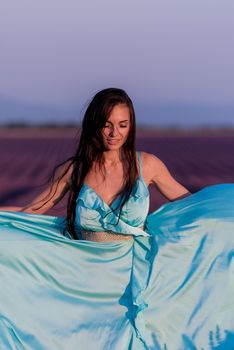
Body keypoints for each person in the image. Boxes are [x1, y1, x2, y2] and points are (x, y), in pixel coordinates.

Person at [0, 88, 233, 350]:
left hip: (131, 276)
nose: (114, 133)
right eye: (107, 125)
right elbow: (31, 210)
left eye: (123, 125)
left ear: (131, 126)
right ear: (94, 125)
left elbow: (191, 205)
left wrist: (223, 215)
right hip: (80, 275)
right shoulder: (74, 169)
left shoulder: (148, 164)